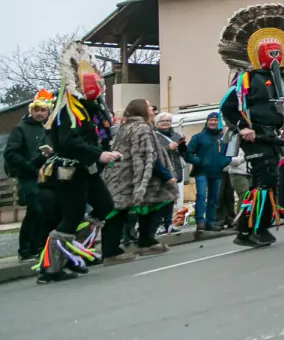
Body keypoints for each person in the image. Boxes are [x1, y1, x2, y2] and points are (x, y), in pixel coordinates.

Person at [218, 3, 284, 248]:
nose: (276, 58)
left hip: (274, 135)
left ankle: (252, 228)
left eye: (278, 54)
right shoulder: (247, 79)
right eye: (271, 53)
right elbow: (227, 106)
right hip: (256, 136)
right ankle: (251, 229)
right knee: (263, 179)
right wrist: (242, 127)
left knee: (268, 180)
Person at [38, 43, 119, 283]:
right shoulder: (66, 109)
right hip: (69, 170)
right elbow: (67, 142)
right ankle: (51, 268)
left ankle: (72, 254)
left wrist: (106, 153)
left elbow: (102, 134)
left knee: (104, 205)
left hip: (89, 169)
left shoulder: (93, 107)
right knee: (71, 217)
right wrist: (98, 154)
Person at [102, 99, 176, 260]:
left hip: (120, 174)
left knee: (147, 205)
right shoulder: (141, 128)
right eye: (149, 106)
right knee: (119, 211)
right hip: (128, 176)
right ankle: (110, 252)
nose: (151, 108)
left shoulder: (126, 126)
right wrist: (166, 175)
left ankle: (146, 241)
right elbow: (147, 155)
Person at [5, 90, 52, 262]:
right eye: (36, 110)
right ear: (31, 110)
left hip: (48, 177)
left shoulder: (50, 130)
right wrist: (30, 167)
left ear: (48, 111)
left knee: (47, 211)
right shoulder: (20, 129)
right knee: (35, 210)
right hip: (29, 176)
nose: (40, 113)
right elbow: (11, 154)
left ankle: (39, 245)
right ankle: (25, 248)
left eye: (43, 110)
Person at [186, 112, 229, 231]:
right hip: (201, 171)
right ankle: (200, 221)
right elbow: (188, 153)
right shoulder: (198, 137)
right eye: (211, 120)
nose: (213, 122)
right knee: (201, 195)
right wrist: (199, 161)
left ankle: (210, 222)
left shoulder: (224, 138)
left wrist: (224, 162)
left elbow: (229, 153)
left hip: (217, 172)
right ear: (207, 121)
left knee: (214, 198)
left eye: (216, 120)